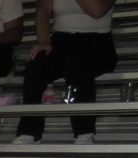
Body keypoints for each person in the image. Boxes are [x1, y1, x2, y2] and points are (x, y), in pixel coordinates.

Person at [14, 0, 117, 145]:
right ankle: (29, 131)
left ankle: (84, 131)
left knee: (79, 64)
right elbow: (43, 10)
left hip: (97, 42)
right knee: (36, 64)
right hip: (62, 40)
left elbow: (97, 11)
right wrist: (44, 41)